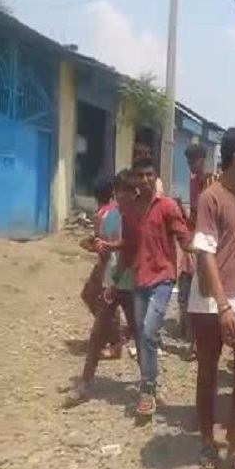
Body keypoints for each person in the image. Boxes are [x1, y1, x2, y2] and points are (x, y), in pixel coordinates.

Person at [189, 128, 235, 469]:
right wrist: (222, 307)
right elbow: (204, 255)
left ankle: (233, 446)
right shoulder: (210, 197)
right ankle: (206, 443)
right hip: (209, 302)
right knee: (208, 370)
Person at [64, 171, 137, 407]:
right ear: (116, 192)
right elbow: (104, 250)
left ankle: (150, 386)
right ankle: (85, 384)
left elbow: (132, 249)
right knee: (96, 335)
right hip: (111, 283)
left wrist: (108, 249)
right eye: (121, 190)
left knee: (141, 336)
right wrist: (98, 249)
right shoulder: (110, 217)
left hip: (131, 284)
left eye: (130, 190)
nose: (125, 195)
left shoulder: (138, 217)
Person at [130, 156, 192, 418]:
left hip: (163, 279)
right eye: (140, 175)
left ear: (155, 176)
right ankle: (150, 384)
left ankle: (147, 389)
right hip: (138, 280)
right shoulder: (131, 209)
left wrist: (202, 254)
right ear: (134, 178)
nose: (144, 180)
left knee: (148, 331)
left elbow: (184, 237)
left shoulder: (167, 206)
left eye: (149, 175)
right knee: (143, 336)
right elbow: (128, 244)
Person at [178, 144, 209, 361]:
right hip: (196, 240)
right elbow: (194, 216)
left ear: (203, 160)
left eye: (193, 162)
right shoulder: (192, 182)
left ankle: (198, 341)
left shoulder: (210, 181)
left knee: (202, 292)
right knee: (192, 289)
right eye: (188, 163)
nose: (191, 167)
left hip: (207, 242)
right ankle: (193, 341)